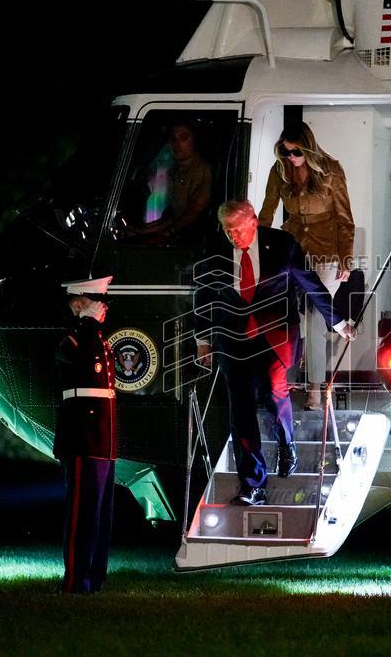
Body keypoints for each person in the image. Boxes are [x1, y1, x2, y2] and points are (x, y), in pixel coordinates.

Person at [195, 200, 355, 506]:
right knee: (240, 409)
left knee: (273, 390)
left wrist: (339, 322)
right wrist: (203, 339)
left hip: (275, 335)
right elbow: (203, 294)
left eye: (237, 229)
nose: (232, 236)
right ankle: (253, 485)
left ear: (253, 222)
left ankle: (286, 442)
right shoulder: (214, 248)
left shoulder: (281, 245)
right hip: (233, 338)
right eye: (227, 230)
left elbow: (312, 286)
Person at [258, 121, 355, 410]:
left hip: (327, 250)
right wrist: (257, 249)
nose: (291, 158)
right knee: (285, 314)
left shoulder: (331, 170)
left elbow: (344, 218)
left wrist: (346, 257)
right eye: (285, 152)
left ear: (308, 148)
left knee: (315, 316)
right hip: (293, 247)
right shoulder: (280, 170)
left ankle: (315, 387)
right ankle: (282, 381)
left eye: (295, 152)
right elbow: (267, 211)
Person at [54, 275, 117, 594]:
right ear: (79, 304)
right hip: (83, 438)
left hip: (102, 440)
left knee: (100, 514)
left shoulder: (97, 339)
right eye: (97, 301)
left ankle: (95, 576)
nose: (104, 307)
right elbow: (77, 365)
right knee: (82, 513)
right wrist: (87, 323)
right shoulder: (78, 339)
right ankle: (76, 579)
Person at [126, 123, 212, 245]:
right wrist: (144, 230)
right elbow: (174, 217)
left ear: (195, 140)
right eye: (173, 139)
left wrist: (169, 232)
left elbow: (196, 208)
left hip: (192, 243)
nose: (176, 144)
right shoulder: (180, 172)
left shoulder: (202, 170)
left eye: (183, 138)